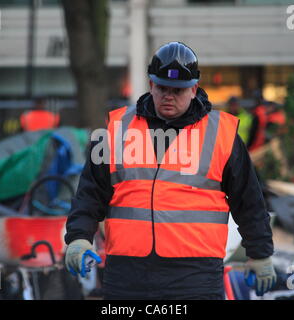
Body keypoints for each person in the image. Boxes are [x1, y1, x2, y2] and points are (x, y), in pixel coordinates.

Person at [64, 42, 276, 300]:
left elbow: (249, 201)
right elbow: (90, 193)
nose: (168, 95)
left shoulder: (222, 135)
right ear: (151, 84)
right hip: (128, 275)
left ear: (194, 89)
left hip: (195, 276)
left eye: (178, 90)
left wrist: (260, 253)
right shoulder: (116, 130)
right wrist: (79, 237)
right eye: (162, 87)